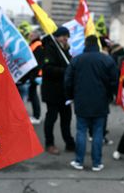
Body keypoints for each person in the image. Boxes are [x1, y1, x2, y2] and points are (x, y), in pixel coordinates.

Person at [65, 35, 118, 171]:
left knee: (81, 131)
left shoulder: (76, 60)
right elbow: (114, 81)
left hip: (81, 100)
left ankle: (79, 161)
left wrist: (71, 96)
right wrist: (110, 96)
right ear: (98, 45)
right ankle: (96, 163)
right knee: (98, 132)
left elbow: (68, 80)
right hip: (101, 101)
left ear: (85, 44)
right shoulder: (107, 60)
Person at [41, 26, 75, 155]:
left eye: (67, 36)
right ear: (57, 36)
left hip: (64, 92)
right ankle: (49, 143)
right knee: (51, 118)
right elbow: (47, 69)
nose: (66, 38)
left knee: (66, 118)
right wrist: (66, 71)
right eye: (63, 36)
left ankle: (70, 143)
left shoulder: (65, 50)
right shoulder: (50, 48)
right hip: (52, 92)